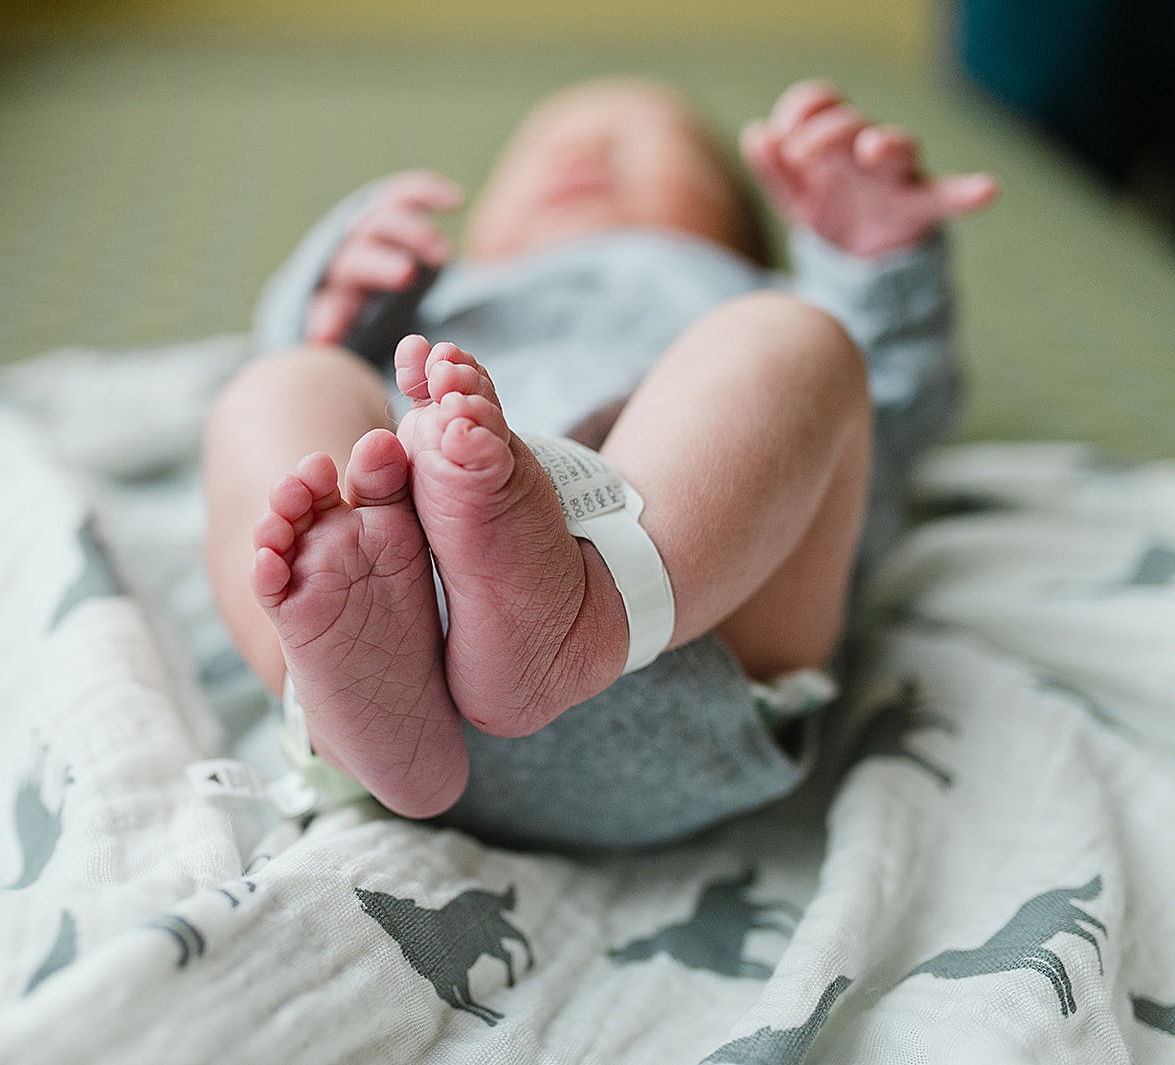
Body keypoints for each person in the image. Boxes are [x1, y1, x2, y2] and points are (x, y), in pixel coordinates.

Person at [202, 78, 998, 849]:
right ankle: (329, 687)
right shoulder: (442, 306)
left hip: (690, 655)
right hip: (410, 655)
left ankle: (587, 612)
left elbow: (893, 408)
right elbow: (300, 365)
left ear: (736, 223)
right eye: (543, 144)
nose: (581, 151)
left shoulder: (738, 284)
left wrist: (874, 259)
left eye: (650, 144)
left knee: (802, 341)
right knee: (286, 382)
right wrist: (336, 293)